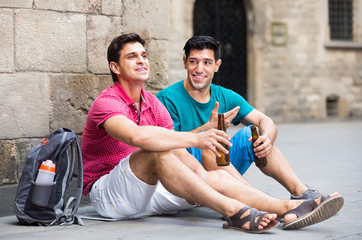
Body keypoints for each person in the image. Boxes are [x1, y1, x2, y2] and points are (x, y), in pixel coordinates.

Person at [81, 33, 343, 233]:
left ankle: (290, 206)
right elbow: (138, 137)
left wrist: (205, 170)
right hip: (110, 196)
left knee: (209, 175)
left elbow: (178, 150)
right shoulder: (108, 102)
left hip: (152, 192)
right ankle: (234, 212)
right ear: (115, 68)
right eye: (132, 57)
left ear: (216, 65)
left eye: (144, 55)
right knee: (158, 151)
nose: (141, 60)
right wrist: (200, 136)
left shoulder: (152, 103)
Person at [157, 35, 321, 200]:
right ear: (184, 62)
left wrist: (267, 139)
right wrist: (206, 128)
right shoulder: (167, 98)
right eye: (193, 61)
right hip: (185, 176)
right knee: (210, 141)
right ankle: (259, 201)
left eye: (207, 62)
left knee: (253, 134)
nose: (199, 69)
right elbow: (167, 146)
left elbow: (265, 121)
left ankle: (301, 193)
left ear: (217, 66)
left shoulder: (225, 95)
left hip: (220, 168)